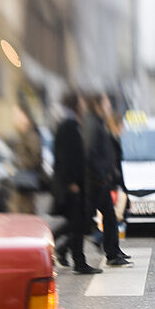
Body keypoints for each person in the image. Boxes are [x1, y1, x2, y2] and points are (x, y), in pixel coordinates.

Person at [51, 91, 102, 275]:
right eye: (80, 100)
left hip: (75, 183)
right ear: (74, 103)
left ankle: (67, 253)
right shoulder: (68, 125)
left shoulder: (72, 123)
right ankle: (77, 261)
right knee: (77, 224)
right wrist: (72, 182)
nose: (83, 102)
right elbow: (65, 156)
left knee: (76, 224)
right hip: (72, 185)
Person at [84, 93, 131, 266]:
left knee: (110, 217)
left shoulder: (98, 123)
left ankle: (113, 252)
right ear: (98, 104)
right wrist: (103, 175)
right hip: (96, 181)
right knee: (82, 220)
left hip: (101, 180)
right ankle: (63, 247)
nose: (108, 106)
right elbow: (92, 153)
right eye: (105, 103)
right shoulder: (93, 124)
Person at [13, 105, 42, 214]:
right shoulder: (24, 134)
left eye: (17, 115)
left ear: (25, 117)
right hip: (22, 180)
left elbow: (35, 157)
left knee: (26, 211)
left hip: (26, 179)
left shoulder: (31, 134)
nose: (15, 119)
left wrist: (20, 163)